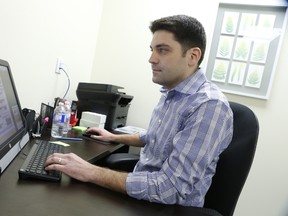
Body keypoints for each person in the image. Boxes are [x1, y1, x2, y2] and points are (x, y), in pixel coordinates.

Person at [45, 15, 233, 207]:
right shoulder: (172, 92)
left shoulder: (209, 106)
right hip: (144, 195)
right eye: (152, 50)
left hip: (167, 208)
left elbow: (171, 189)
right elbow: (155, 137)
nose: (151, 59)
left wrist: (90, 171)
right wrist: (114, 137)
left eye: (162, 50)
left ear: (193, 56)